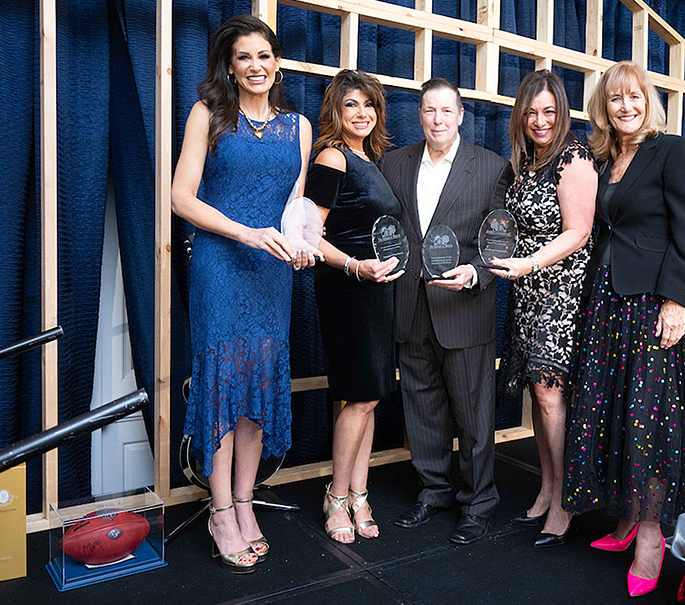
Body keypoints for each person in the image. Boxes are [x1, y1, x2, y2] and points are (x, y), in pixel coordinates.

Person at [171, 15, 313, 574]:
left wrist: (301, 242)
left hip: (272, 272)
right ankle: (221, 510)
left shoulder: (299, 126)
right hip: (220, 265)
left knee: (257, 388)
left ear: (277, 62)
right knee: (224, 390)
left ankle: (247, 502)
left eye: (265, 55)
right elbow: (181, 198)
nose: (256, 66)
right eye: (244, 57)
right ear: (229, 66)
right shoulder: (208, 116)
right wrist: (245, 232)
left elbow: (295, 208)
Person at [562, 61, 685, 598]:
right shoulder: (605, 157)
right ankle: (624, 518)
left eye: (634, 97)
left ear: (649, 101)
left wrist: (675, 300)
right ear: (604, 106)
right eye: (615, 99)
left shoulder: (674, 150)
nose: (625, 107)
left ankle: (650, 536)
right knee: (616, 411)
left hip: (652, 304)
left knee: (649, 419)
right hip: (607, 302)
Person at [380, 78, 513, 545]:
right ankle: (433, 490)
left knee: (474, 415)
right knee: (421, 408)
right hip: (410, 305)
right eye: (428, 111)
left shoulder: (493, 168)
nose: (437, 119)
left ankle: (478, 503)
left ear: (460, 117)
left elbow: (500, 243)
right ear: (419, 115)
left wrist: (476, 273)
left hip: (465, 307)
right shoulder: (393, 164)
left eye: (446, 111)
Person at [490, 69, 596, 547]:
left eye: (549, 111)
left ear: (562, 112)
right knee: (538, 396)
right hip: (526, 287)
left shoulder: (573, 155)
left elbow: (579, 232)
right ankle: (548, 485)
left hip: (563, 287)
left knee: (551, 394)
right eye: (531, 111)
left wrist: (530, 262)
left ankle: (566, 499)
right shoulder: (525, 161)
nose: (540, 120)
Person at [306, 69, 403, 544]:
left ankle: (360, 493)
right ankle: (337, 496)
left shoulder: (371, 158)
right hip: (347, 290)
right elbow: (310, 237)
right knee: (360, 395)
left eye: (368, 105)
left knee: (370, 396)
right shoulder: (332, 157)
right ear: (336, 112)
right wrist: (355, 268)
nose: (361, 114)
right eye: (351, 105)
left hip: (377, 290)